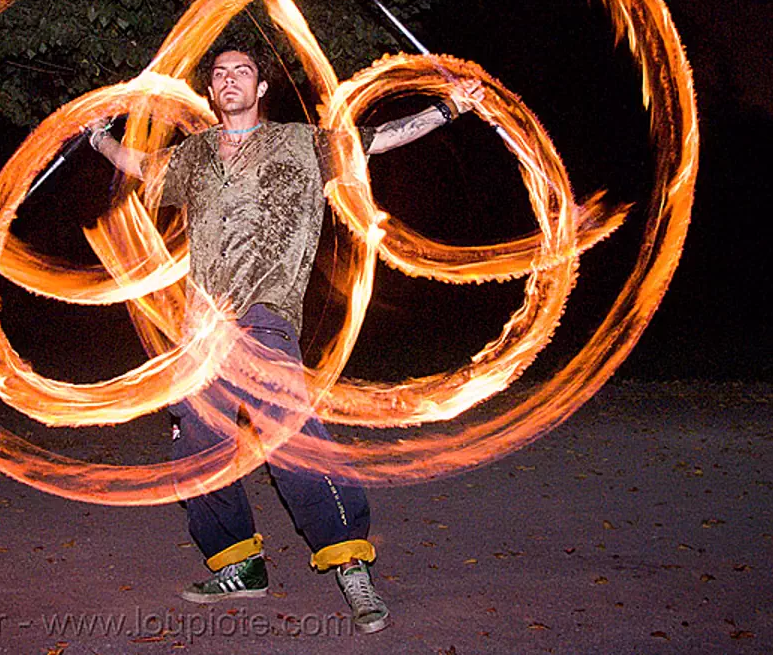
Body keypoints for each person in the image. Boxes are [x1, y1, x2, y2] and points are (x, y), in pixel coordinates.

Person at [88, 45, 483, 634]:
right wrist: (99, 139)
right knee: (196, 444)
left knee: (289, 432)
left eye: (240, 71)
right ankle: (239, 564)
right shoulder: (194, 155)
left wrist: (448, 108)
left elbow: (375, 140)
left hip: (265, 313)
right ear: (210, 90)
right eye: (219, 74)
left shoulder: (303, 143)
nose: (228, 81)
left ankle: (349, 560)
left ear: (261, 86)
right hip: (204, 326)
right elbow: (143, 167)